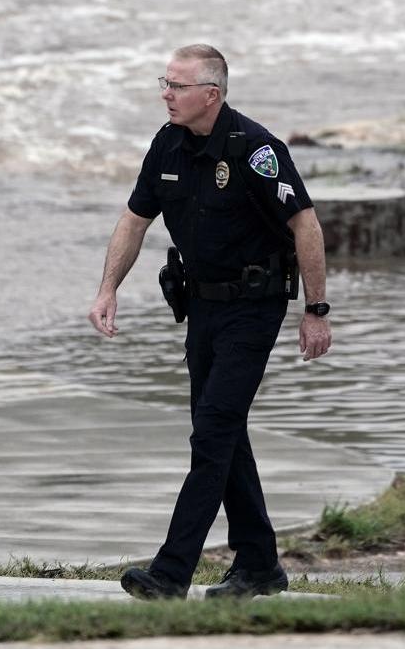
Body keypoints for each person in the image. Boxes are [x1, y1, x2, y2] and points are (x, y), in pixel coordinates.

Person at [88, 43, 332, 601]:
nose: (165, 94)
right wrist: (108, 289)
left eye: (176, 85)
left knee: (213, 431)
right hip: (201, 307)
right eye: (164, 83)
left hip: (254, 306)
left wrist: (315, 310)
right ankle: (260, 564)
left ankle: (171, 572)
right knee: (225, 432)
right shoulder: (167, 143)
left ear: (211, 95)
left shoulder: (256, 150)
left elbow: (306, 225)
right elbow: (134, 218)